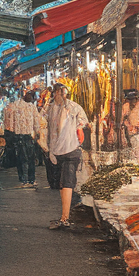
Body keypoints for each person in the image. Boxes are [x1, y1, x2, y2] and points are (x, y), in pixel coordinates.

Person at [46, 83, 89, 230]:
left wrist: (76, 134)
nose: (61, 96)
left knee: (67, 183)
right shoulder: (49, 108)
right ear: (55, 94)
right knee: (61, 183)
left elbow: (82, 125)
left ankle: (65, 217)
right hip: (56, 152)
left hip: (70, 150)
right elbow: (43, 125)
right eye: (59, 94)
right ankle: (64, 215)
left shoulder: (73, 107)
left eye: (63, 94)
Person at [3, 90, 41, 187]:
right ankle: (31, 179)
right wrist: (38, 133)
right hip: (27, 135)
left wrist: (10, 131)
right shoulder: (32, 107)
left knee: (21, 158)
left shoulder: (16, 105)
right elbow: (36, 122)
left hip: (18, 135)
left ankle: (23, 179)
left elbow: (10, 120)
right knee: (30, 158)